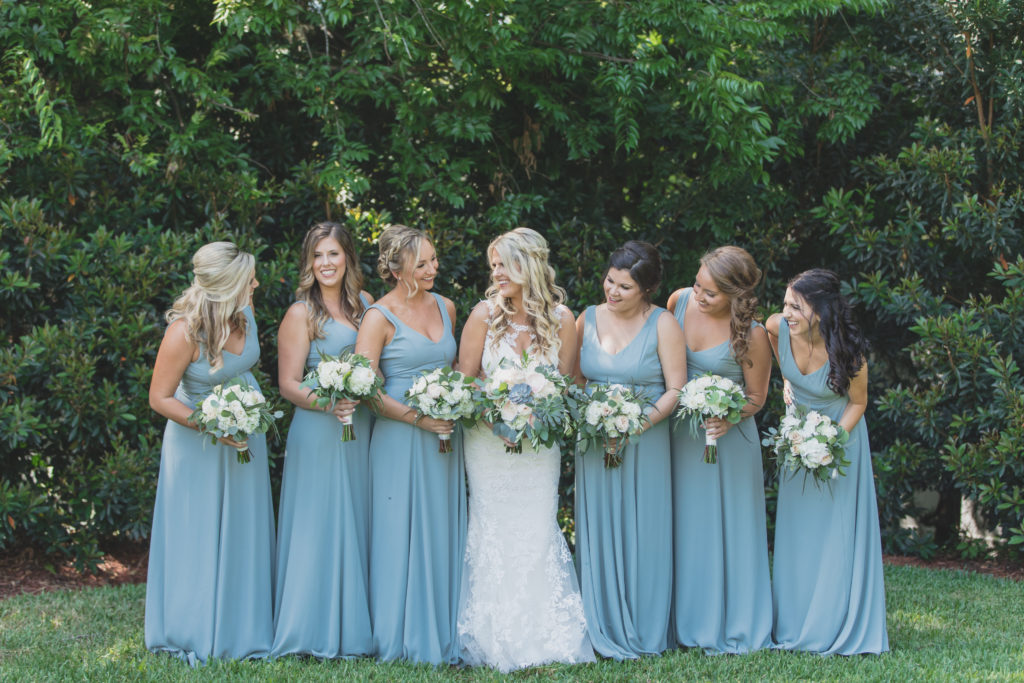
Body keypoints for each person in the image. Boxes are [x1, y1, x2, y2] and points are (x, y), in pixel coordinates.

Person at [456, 227, 595, 672]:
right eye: (493, 264)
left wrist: (538, 412)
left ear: (529, 265)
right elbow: (466, 378)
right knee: (491, 528)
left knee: (536, 526)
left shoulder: (561, 318)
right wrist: (496, 408)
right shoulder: (482, 314)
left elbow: (565, 382)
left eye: (504, 264)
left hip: (538, 448)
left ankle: (543, 633)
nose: (496, 273)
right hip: (487, 443)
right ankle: (489, 635)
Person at [145, 241, 274, 664]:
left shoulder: (246, 312)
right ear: (225, 286)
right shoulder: (183, 332)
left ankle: (245, 624)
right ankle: (194, 626)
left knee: (244, 526)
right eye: (248, 279)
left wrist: (243, 420)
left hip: (245, 433)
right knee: (199, 532)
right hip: (198, 441)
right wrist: (214, 426)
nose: (256, 283)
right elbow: (160, 398)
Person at [354, 225, 466, 664]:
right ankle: (399, 634)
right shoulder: (378, 318)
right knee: (399, 531)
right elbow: (367, 390)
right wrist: (421, 418)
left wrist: (456, 402)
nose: (433, 268)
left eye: (434, 260)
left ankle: (442, 627)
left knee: (440, 528)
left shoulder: (447, 306)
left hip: (444, 438)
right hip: (401, 439)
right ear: (397, 269)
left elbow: (456, 367)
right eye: (422, 263)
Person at [766, 268, 889, 655]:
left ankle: (833, 623)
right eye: (785, 303)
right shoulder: (775, 328)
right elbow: (780, 366)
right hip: (797, 442)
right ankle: (795, 621)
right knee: (798, 534)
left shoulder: (849, 350)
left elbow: (859, 403)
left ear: (820, 310)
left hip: (838, 444)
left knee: (833, 535)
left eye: (796, 306)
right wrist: (788, 383)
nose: (786, 312)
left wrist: (831, 441)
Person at [573, 240, 686, 660]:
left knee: (645, 530)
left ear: (647, 289)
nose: (612, 291)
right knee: (599, 527)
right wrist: (594, 417)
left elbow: (676, 387)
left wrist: (638, 422)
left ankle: (644, 626)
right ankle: (599, 621)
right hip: (595, 440)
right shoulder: (584, 319)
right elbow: (573, 380)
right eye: (609, 280)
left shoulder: (663, 324)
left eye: (624, 286)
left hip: (646, 441)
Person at [272, 222, 375, 658]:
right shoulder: (301, 314)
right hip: (318, 429)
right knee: (317, 523)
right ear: (308, 262)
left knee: (357, 514)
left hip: (362, 426)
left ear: (347, 257)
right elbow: (288, 384)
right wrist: (328, 403)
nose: (326, 264)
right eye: (318, 256)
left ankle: (356, 624)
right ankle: (308, 628)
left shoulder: (367, 306)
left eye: (333, 254)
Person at [666, 246, 773, 654]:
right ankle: (684, 620)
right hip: (680, 438)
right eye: (698, 284)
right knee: (686, 527)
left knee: (730, 530)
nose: (699, 296)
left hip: (728, 441)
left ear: (736, 295)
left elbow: (758, 396)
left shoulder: (754, 334)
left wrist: (729, 416)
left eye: (710, 292)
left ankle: (735, 621)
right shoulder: (676, 302)